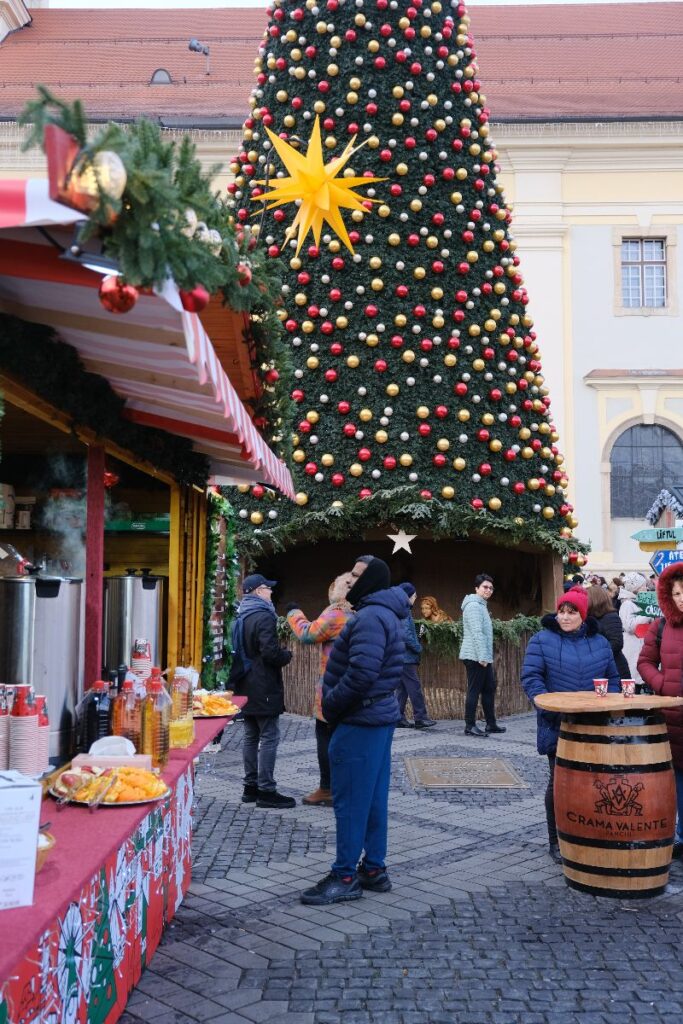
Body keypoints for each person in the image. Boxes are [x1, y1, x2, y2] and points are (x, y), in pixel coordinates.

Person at [301, 557, 408, 906]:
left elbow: (362, 673)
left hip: (360, 720)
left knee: (349, 800)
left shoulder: (370, 618)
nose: (349, 581)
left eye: (356, 577)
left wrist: (332, 703)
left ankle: (345, 875)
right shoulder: (382, 613)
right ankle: (373, 869)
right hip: (375, 717)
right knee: (372, 799)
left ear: (372, 581)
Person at [521, 587, 620, 864]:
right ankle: (556, 840)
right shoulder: (542, 640)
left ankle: (590, 834)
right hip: (557, 723)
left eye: (572, 611)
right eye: (562, 611)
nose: (565, 617)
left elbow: (612, 677)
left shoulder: (599, 642)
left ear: (583, 614)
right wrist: (546, 704)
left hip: (593, 724)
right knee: (559, 782)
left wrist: (606, 704)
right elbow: (531, 677)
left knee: (594, 783)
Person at [285, 573, 354, 806]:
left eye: (341, 582)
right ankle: (345, 787)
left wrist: (294, 613)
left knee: (326, 736)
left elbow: (308, 633)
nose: (334, 585)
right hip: (350, 685)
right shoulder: (359, 612)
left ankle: (328, 789)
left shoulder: (337, 612)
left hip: (333, 685)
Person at [229, 573, 295, 809]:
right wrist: (286, 655)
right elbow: (269, 653)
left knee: (250, 735)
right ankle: (266, 790)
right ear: (258, 591)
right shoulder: (263, 617)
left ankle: (250, 788)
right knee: (269, 736)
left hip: (244, 684)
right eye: (268, 588)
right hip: (263, 684)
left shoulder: (239, 615)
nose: (271, 592)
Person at [638, 563, 683, 858]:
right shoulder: (661, 626)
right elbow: (644, 662)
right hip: (674, 718)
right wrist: (662, 684)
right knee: (677, 780)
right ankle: (680, 834)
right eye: (677, 593)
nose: (682, 598)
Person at [459, 573, 505, 737]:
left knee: (488, 689)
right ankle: (469, 725)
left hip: (482, 656)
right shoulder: (473, 606)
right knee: (474, 690)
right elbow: (477, 633)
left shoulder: (481, 605)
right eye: (485, 587)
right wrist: (483, 657)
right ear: (476, 588)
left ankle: (491, 724)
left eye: (491, 588)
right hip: (475, 656)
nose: (488, 590)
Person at [395, 583, 436, 729]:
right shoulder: (404, 611)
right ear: (407, 596)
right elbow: (405, 634)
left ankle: (397, 718)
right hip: (406, 657)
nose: (416, 597)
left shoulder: (400, 609)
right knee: (414, 688)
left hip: (401, 656)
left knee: (402, 689)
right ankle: (421, 717)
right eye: (414, 595)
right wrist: (417, 647)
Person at [586, 584, 630, 679]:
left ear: (595, 600)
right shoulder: (590, 618)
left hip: (615, 668)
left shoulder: (610, 617)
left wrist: (593, 654)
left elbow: (616, 643)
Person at [618, 571, 650, 683]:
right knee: (633, 676)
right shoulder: (627, 604)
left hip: (640, 645)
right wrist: (647, 613)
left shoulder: (637, 602)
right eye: (643, 586)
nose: (646, 588)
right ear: (636, 588)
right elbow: (629, 626)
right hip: (632, 646)